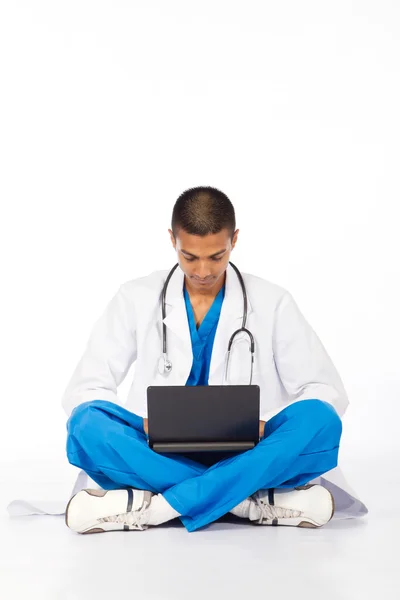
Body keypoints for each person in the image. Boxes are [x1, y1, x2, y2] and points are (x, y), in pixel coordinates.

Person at [64, 186, 348, 534]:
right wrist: (144, 425)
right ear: (172, 240)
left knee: (321, 419)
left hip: (250, 451)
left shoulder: (273, 301)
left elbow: (323, 389)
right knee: (85, 423)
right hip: (157, 453)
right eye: (190, 256)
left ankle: (155, 508)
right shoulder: (135, 297)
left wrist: (263, 426)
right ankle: (248, 504)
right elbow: (86, 387)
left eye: (216, 256)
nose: (202, 270)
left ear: (234, 240)